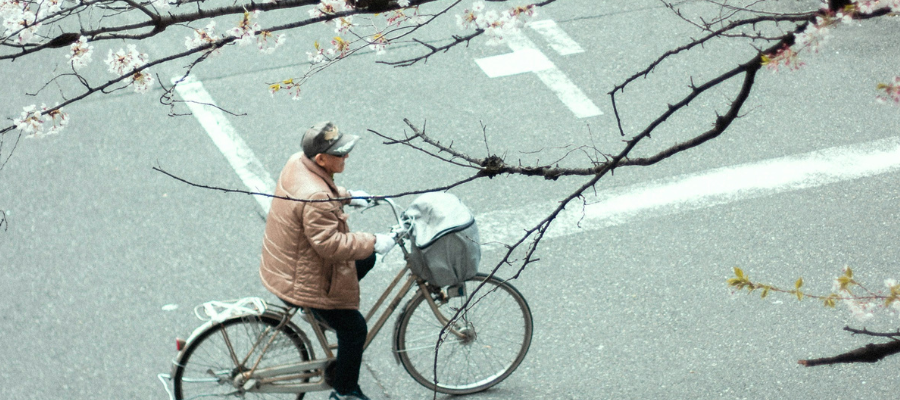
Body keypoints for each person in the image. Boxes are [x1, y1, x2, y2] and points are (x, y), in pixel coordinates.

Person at [259, 121, 395, 400]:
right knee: (355, 329)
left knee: (364, 258)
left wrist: (347, 196)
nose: (347, 157)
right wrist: (375, 241)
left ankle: (325, 317)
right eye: (341, 153)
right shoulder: (316, 194)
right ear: (321, 159)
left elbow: (319, 197)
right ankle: (344, 393)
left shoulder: (299, 162)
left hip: (286, 266)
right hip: (302, 281)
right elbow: (330, 244)